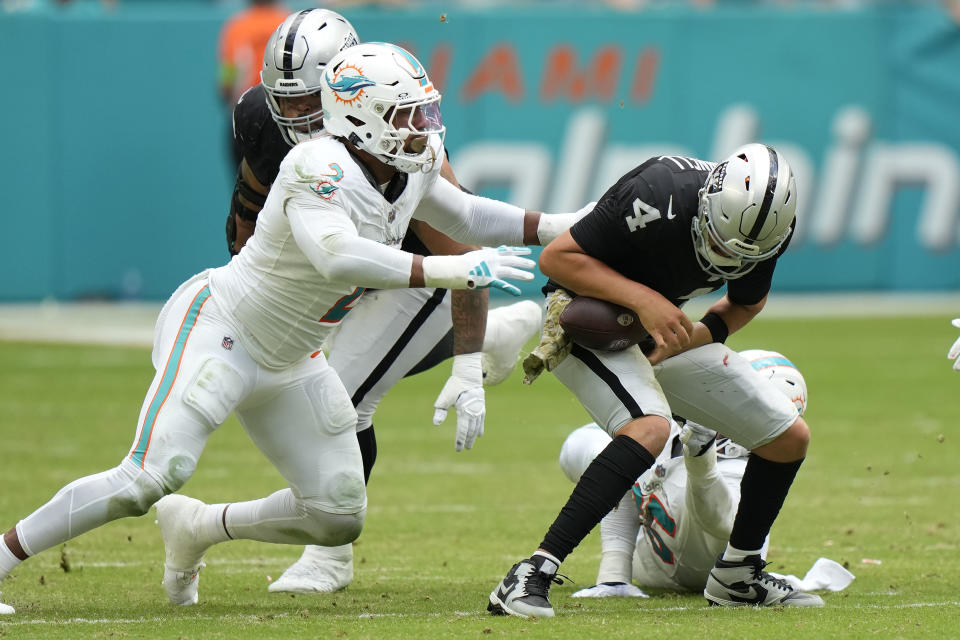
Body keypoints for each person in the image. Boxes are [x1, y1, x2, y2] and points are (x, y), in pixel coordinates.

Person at [0, 41, 584, 614]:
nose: (423, 126)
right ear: (364, 116)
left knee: (337, 515)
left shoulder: (409, 163)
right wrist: (449, 268)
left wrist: (568, 224)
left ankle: (197, 526)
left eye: (425, 110)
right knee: (149, 477)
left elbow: (468, 213)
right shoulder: (316, 165)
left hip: (294, 357)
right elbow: (338, 256)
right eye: (408, 113)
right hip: (222, 330)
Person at [227, 8, 545, 595]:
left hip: (419, 269)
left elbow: (462, 251)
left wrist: (469, 367)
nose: (296, 119)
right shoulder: (262, 123)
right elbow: (247, 213)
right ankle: (491, 337)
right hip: (332, 265)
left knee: (342, 402)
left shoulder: (399, 133)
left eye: (309, 104)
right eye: (286, 103)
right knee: (296, 395)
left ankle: (331, 554)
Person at [488, 144, 824, 617]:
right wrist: (644, 300)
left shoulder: (768, 229)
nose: (730, 256)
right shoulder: (658, 189)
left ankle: (737, 575)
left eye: (743, 252)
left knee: (787, 437)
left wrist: (690, 338)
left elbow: (745, 304)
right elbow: (557, 259)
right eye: (723, 242)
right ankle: (530, 573)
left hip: (654, 328)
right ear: (708, 202)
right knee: (649, 427)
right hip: (583, 319)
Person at [559, 350, 850, 597]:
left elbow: (726, 523)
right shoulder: (678, 429)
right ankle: (614, 578)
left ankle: (614, 579)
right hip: (652, 558)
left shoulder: (749, 470)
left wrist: (701, 461)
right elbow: (571, 452)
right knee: (609, 450)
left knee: (624, 455)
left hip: (707, 571)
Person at [218, 0, 290, 165]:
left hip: (246, 116)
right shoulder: (290, 21)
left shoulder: (237, 26)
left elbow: (226, 83)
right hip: (286, 115)